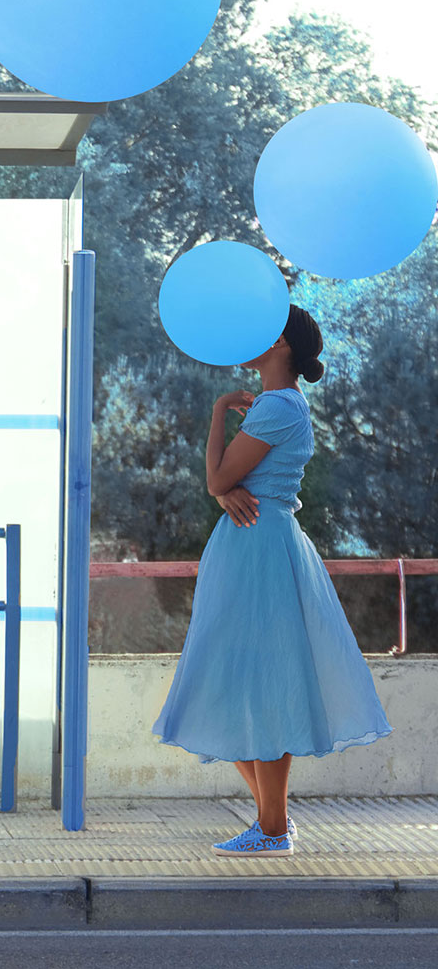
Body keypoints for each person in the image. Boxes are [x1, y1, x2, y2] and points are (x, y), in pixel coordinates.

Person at [152, 304, 392, 857]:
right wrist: (223, 486)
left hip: (257, 545)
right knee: (235, 678)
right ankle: (271, 823)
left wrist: (217, 417)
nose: (248, 337)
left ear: (281, 344)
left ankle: (273, 826)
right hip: (255, 542)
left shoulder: (278, 408)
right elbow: (228, 481)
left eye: (263, 331)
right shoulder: (278, 405)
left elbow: (218, 477)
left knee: (256, 680)